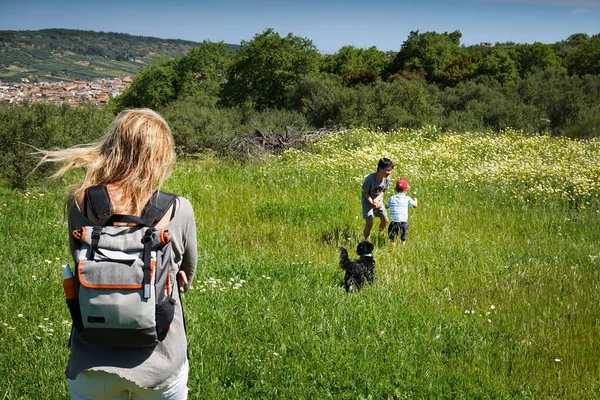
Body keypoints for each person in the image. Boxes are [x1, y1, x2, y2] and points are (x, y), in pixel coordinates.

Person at [37, 108, 197, 399]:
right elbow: (186, 274)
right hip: (160, 362)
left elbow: (80, 257)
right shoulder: (178, 208)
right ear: (161, 155)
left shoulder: (79, 202)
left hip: (91, 363)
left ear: (112, 148)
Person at [361, 158, 394, 241]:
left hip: (378, 201)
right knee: (369, 223)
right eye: (387, 170)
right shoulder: (369, 179)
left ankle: (380, 235)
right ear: (380, 169)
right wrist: (371, 202)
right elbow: (365, 193)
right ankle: (367, 241)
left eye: (390, 170)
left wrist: (377, 199)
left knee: (385, 220)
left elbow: (383, 191)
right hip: (367, 200)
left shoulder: (387, 179)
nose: (389, 173)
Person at [386, 178, 418, 246]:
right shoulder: (407, 198)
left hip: (393, 222)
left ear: (395, 189)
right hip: (403, 222)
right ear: (407, 189)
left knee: (392, 238)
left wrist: (390, 200)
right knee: (403, 237)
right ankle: (402, 248)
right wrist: (415, 200)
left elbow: (386, 206)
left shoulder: (392, 198)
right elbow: (415, 206)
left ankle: (393, 249)